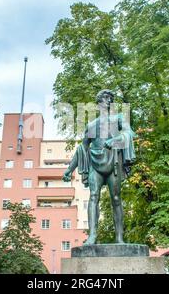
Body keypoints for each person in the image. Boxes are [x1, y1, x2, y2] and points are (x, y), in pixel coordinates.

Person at [63, 89, 135, 245]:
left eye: (110, 98)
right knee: (93, 196)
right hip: (95, 164)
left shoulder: (119, 118)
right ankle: (92, 236)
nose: (108, 100)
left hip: (113, 162)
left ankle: (119, 238)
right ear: (99, 102)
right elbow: (82, 149)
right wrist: (69, 169)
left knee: (116, 198)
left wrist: (116, 140)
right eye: (105, 98)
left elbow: (130, 134)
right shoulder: (91, 125)